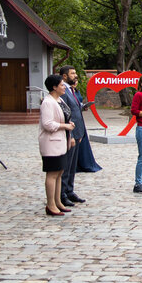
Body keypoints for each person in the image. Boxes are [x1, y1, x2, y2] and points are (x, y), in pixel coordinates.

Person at [39, 74, 76, 216]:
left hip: (61, 141)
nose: (64, 87)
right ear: (54, 87)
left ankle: (58, 201)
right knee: (52, 173)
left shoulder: (59, 100)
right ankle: (50, 204)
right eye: (61, 85)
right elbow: (48, 124)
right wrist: (65, 126)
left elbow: (66, 116)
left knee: (59, 172)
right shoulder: (48, 102)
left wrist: (69, 126)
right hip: (51, 143)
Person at [58, 65, 86, 207]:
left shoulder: (71, 90)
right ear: (64, 76)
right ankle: (62, 193)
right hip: (70, 134)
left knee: (73, 165)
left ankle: (70, 190)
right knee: (67, 165)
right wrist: (72, 135)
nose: (76, 76)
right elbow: (67, 114)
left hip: (77, 132)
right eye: (73, 73)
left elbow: (76, 110)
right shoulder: (63, 91)